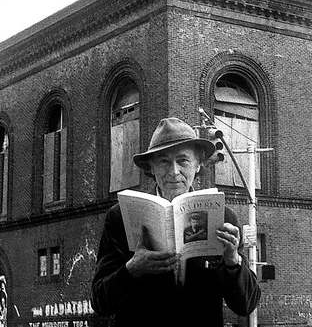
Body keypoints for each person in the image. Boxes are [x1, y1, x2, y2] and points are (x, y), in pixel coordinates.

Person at [91, 117, 261, 327]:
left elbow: (246, 304)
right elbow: (100, 302)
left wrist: (232, 260)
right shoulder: (120, 216)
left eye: (183, 161)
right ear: (151, 168)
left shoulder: (223, 217)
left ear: (198, 165)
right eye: (163, 162)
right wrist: (131, 269)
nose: (173, 172)